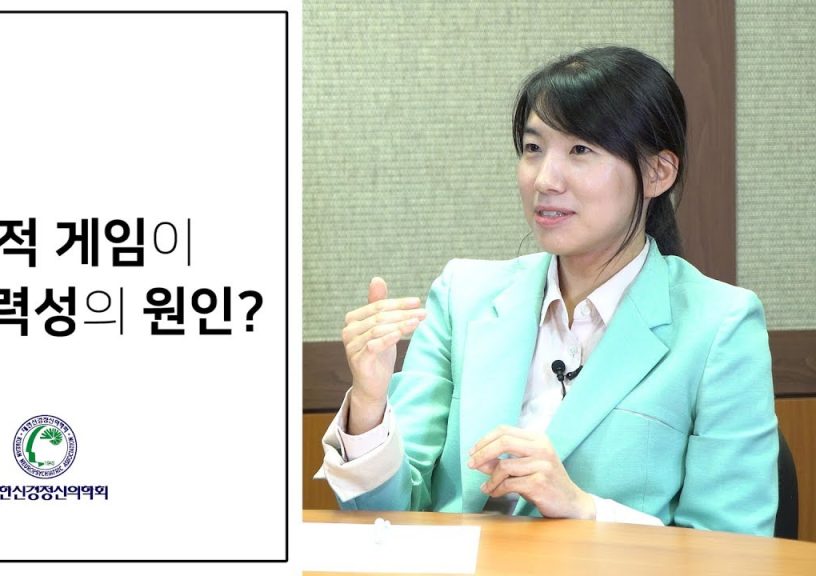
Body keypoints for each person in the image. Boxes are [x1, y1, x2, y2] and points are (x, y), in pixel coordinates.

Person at [316, 46, 778, 535]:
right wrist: (369, 404)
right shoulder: (463, 297)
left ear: (657, 173)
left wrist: (586, 510)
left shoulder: (719, 326)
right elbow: (386, 516)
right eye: (533, 148)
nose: (544, 179)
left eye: (580, 150)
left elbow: (736, 548)